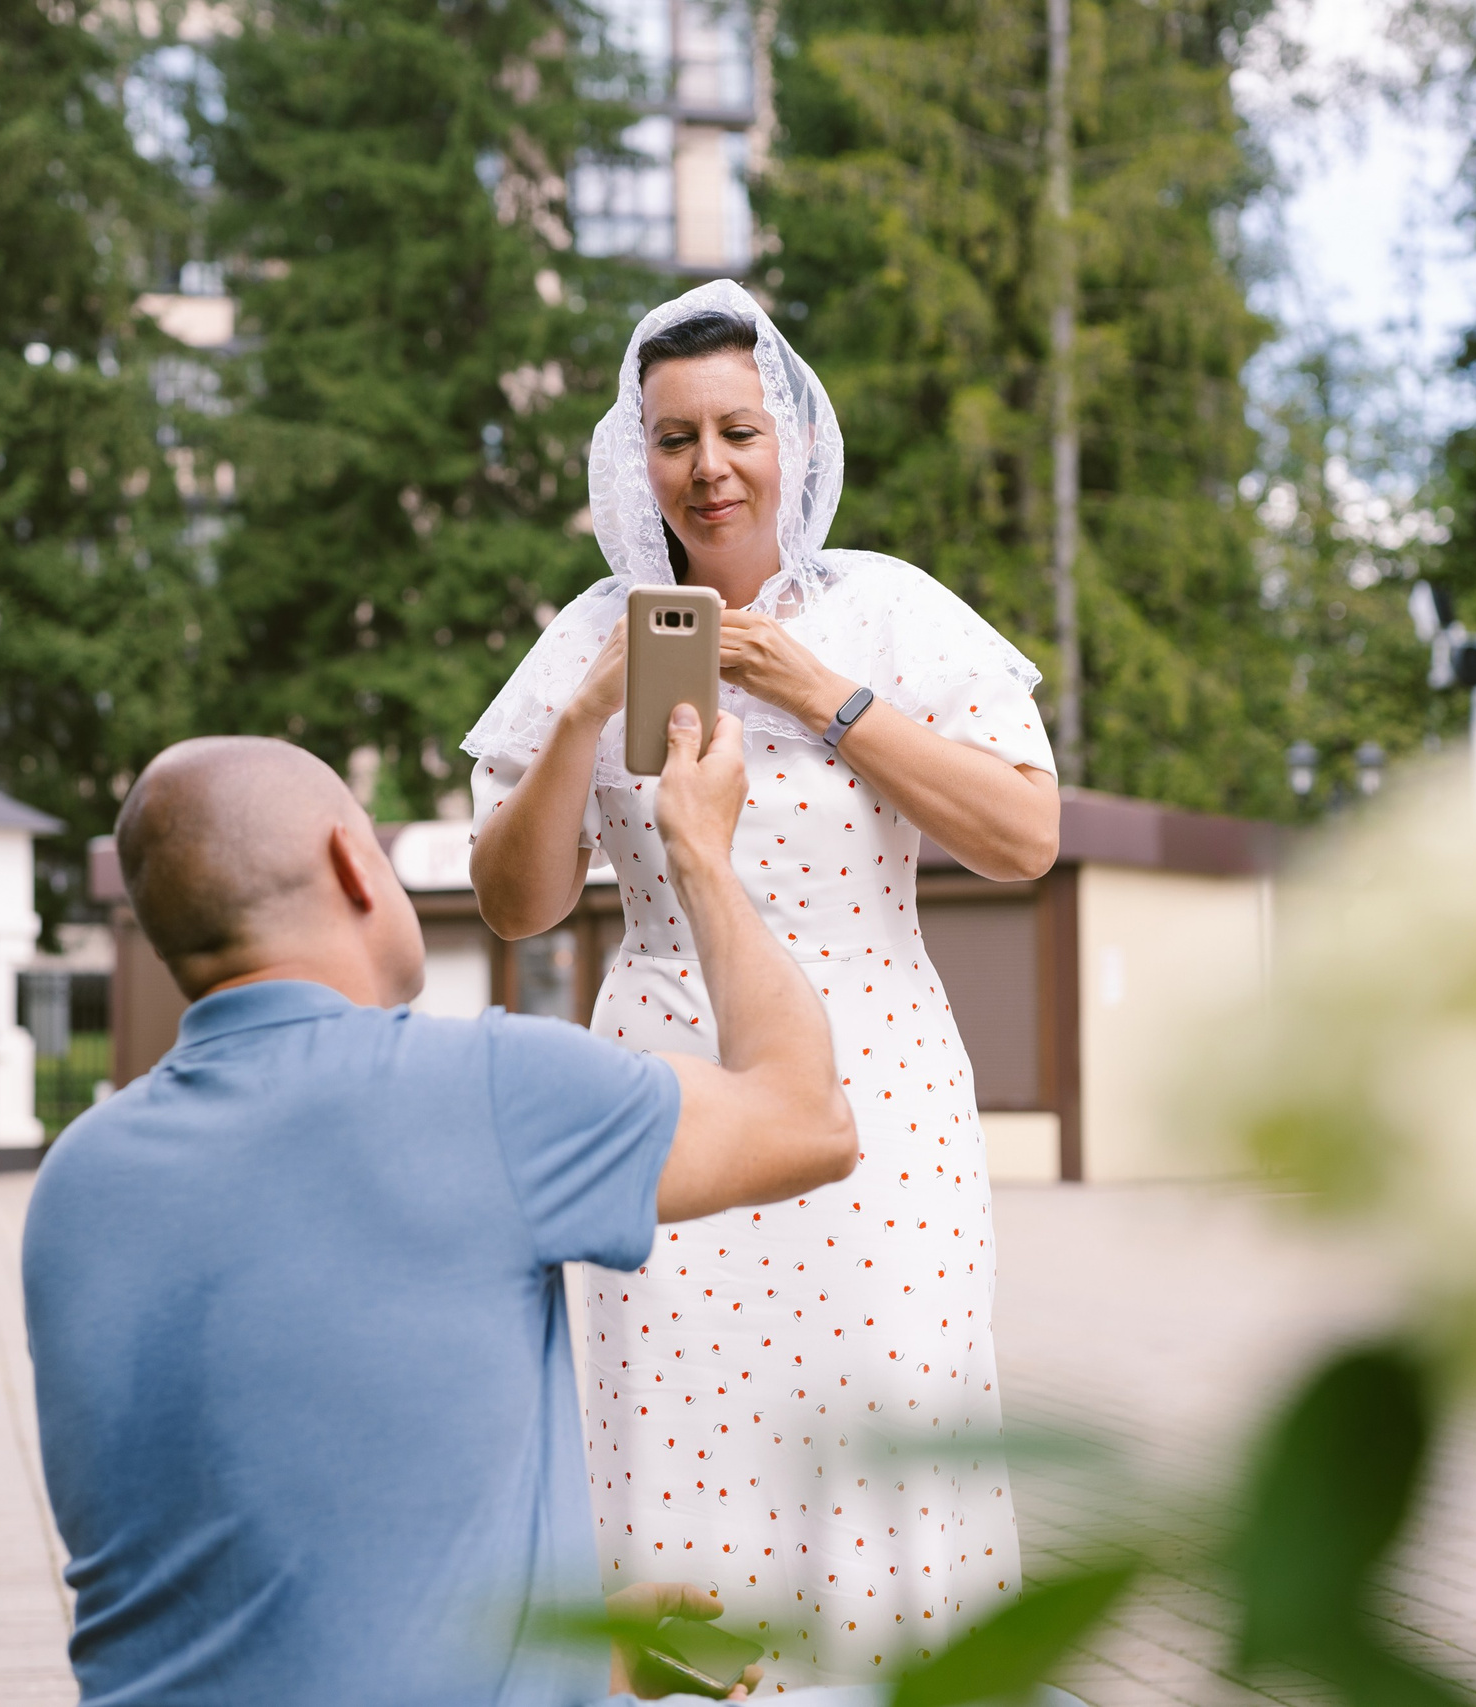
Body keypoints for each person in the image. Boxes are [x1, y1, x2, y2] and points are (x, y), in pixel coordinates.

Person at [464, 278, 1062, 1686]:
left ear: (792, 437)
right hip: (667, 1071)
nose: (710, 466)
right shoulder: (587, 637)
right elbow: (517, 901)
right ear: (638, 458)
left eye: (738, 429)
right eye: (675, 438)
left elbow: (1026, 835)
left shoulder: (890, 608)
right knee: (673, 1418)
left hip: (878, 1078)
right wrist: (584, 715)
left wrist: (818, 692)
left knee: (887, 1412)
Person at [21, 707, 860, 1706]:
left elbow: (269, 1538)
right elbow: (807, 1120)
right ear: (352, 862)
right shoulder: (489, 1090)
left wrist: (590, 1653)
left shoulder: (76, 1180)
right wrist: (700, 855)